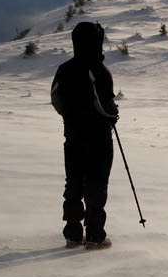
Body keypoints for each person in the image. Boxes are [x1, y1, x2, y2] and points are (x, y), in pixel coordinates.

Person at [51, 22, 119, 249]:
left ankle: (72, 234)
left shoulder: (64, 69)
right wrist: (112, 115)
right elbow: (105, 106)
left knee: (73, 184)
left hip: (72, 137)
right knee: (96, 185)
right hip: (98, 138)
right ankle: (94, 236)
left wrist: (70, 117)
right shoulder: (98, 71)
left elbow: (56, 99)